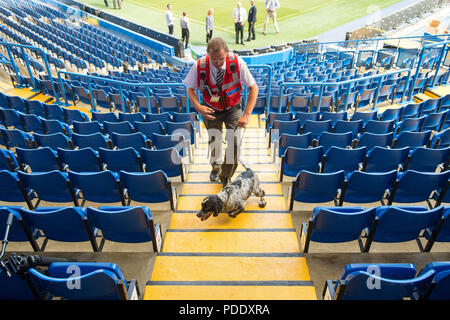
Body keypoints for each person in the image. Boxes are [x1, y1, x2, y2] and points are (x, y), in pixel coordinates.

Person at [183, 37, 259, 186]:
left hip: (233, 108)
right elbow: (190, 88)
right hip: (210, 109)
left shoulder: (237, 62)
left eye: (221, 59)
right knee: (215, 140)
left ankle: (225, 175)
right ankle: (215, 167)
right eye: (214, 60)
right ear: (207, 54)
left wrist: (246, 115)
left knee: (235, 142)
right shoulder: (199, 65)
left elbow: (253, 88)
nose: (218, 63)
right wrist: (199, 107)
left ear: (227, 52)